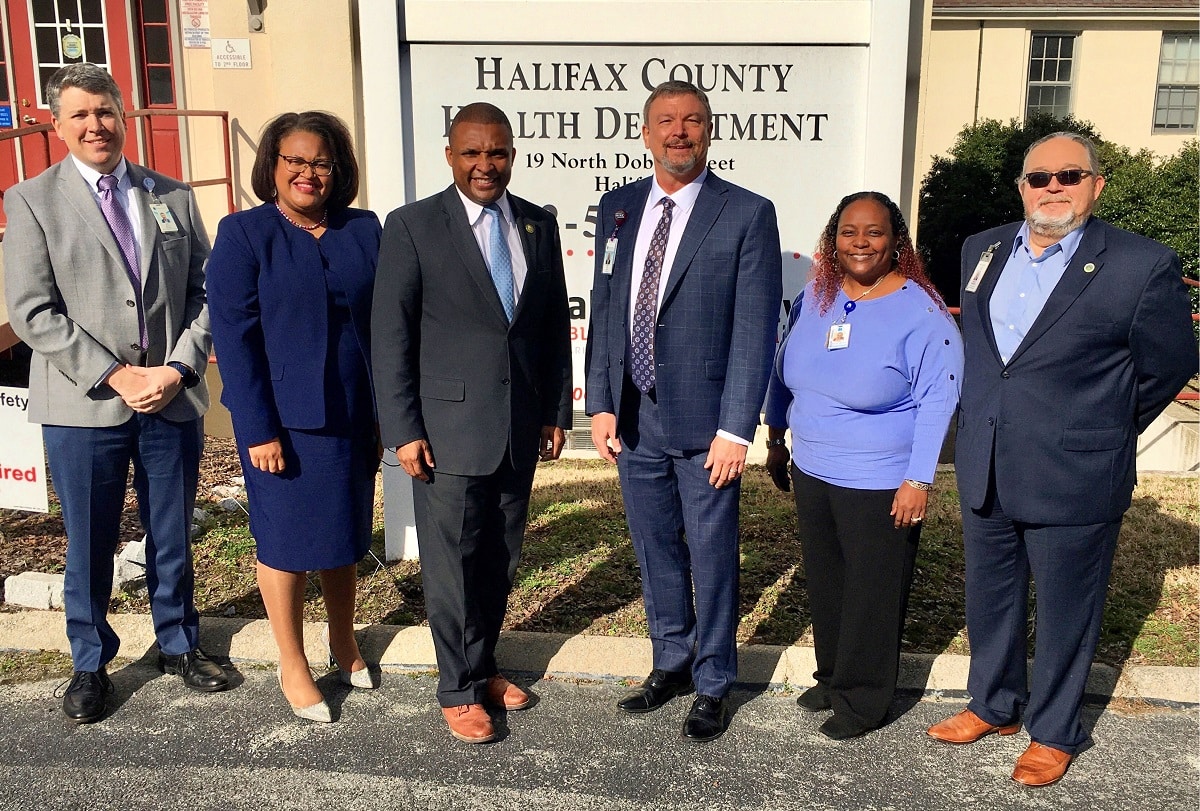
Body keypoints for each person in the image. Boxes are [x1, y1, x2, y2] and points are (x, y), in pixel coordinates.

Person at [926, 132, 1197, 786]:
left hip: (1077, 470)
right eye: (1038, 176)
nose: (1053, 187)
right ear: (1021, 186)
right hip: (988, 459)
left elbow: (1171, 365)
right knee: (990, 595)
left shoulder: (1141, 264)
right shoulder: (980, 250)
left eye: (1069, 175)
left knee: (1067, 611)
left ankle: (1054, 730)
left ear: (1095, 185)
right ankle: (994, 703)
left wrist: (1105, 421)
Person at [2, 63, 230, 723]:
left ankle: (180, 642)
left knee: (171, 531)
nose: (96, 125)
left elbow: (206, 291)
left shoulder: (173, 195)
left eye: (105, 111)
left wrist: (178, 368)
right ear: (56, 123)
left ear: (123, 116)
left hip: (168, 398)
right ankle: (88, 661)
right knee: (91, 539)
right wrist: (116, 374)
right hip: (85, 405)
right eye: (80, 114)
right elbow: (32, 312)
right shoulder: (31, 200)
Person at [585, 80, 782, 742]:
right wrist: (601, 404)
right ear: (645, 134)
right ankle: (670, 660)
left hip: (707, 429)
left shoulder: (747, 213)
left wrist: (737, 428)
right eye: (665, 121)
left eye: (692, 120)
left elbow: (755, 330)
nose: (679, 131)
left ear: (709, 132)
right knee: (654, 550)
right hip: (634, 422)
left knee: (712, 555)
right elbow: (608, 310)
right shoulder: (617, 208)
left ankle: (714, 679)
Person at [372, 102, 571, 744]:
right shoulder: (412, 225)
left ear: (513, 153)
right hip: (445, 429)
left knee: (499, 558)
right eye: (473, 153)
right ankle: (456, 689)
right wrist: (403, 429)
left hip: (517, 428)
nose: (486, 165)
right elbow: (391, 335)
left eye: (499, 153)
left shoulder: (538, 225)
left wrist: (553, 411)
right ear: (450, 154)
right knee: (452, 562)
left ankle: (482, 667)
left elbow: (548, 331)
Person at [763, 191, 963, 740]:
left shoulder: (921, 312)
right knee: (829, 582)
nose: (861, 242)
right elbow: (782, 369)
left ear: (896, 240)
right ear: (833, 238)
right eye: (849, 231)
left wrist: (919, 478)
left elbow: (938, 398)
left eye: (874, 232)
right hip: (813, 468)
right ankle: (833, 676)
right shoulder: (815, 298)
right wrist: (777, 438)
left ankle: (864, 701)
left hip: (881, 479)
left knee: (872, 593)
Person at [206, 112, 381, 723]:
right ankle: (292, 661)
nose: (310, 173)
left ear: (339, 170)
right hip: (282, 423)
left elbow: (386, 322)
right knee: (285, 543)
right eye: (296, 161)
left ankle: (343, 640)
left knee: (343, 534)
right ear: (273, 167)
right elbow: (234, 338)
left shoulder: (363, 230)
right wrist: (257, 429)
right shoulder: (244, 234)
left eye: (322, 162)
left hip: (355, 413)